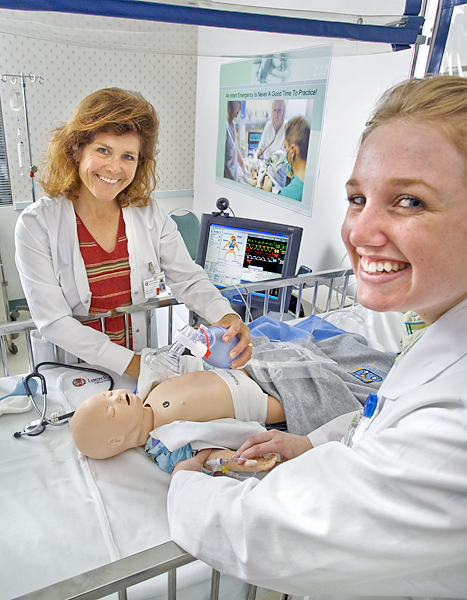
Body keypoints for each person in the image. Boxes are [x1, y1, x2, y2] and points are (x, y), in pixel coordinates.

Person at [167, 75, 467, 599]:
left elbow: (266, 533)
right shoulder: (436, 339)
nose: (358, 231)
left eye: (410, 202)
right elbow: (382, 421)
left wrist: (184, 483)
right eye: (357, 198)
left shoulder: (455, 424)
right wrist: (311, 441)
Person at [14, 88, 251, 380]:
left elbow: (187, 278)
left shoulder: (147, 213)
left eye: (128, 156)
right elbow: (54, 321)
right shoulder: (37, 224)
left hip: (140, 363)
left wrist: (225, 317)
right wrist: (138, 366)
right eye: (103, 150)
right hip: (75, 370)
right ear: (77, 150)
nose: (114, 168)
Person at [70, 367, 285, 474]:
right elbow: (207, 457)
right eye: (111, 410)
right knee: (295, 405)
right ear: (116, 440)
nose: (116, 396)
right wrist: (240, 462)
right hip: (255, 403)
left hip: (238, 371)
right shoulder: (161, 447)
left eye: (108, 394)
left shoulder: (143, 395)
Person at [262, 116, 310, 201]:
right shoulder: (310, 182)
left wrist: (266, 193)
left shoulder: (286, 195)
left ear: (292, 150)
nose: (284, 153)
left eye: (285, 147)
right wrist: (284, 158)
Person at [224, 100, 245, 182]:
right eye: (239, 103)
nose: (240, 109)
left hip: (233, 180)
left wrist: (244, 169)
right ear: (230, 102)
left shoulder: (232, 124)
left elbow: (235, 149)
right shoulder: (225, 127)